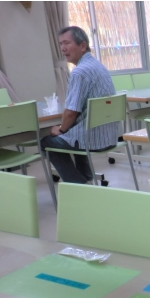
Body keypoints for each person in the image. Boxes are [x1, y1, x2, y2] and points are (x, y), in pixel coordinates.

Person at [40, 26, 116, 184]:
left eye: (66, 43)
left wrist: (60, 129)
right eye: (61, 44)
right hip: (109, 135)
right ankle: (86, 178)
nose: (63, 48)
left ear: (82, 45)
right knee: (74, 131)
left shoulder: (80, 72)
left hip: (92, 139)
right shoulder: (99, 66)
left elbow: (71, 112)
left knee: (47, 141)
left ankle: (78, 185)